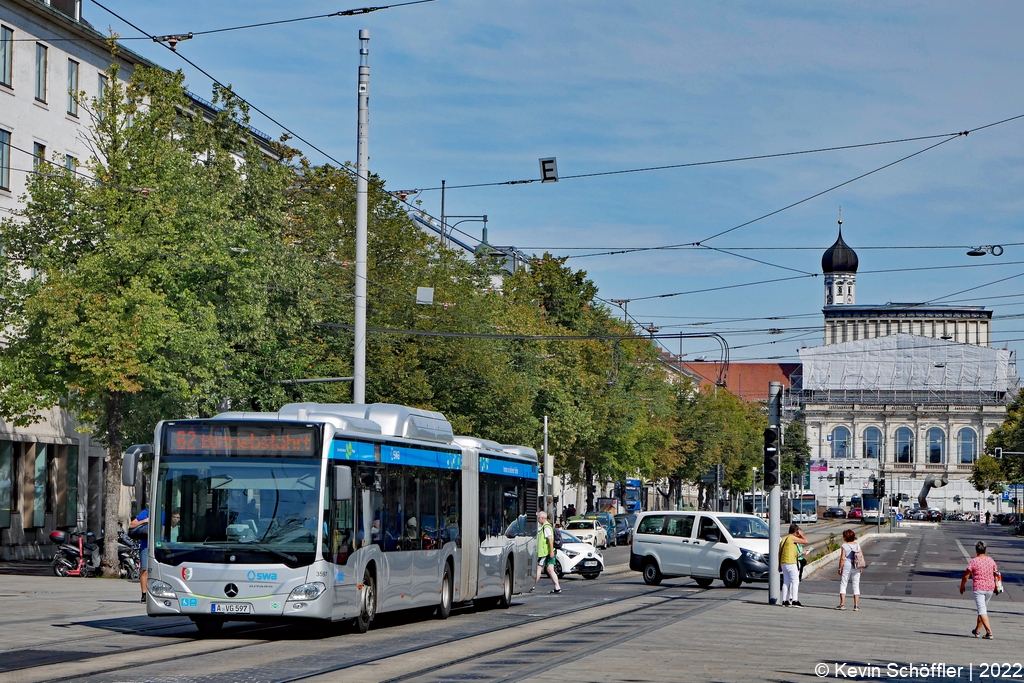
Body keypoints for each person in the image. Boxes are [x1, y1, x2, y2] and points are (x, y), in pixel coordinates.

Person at [960, 540, 1001, 639]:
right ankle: (977, 630)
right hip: (990, 588)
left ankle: (989, 632)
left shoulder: (974, 561)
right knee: (982, 609)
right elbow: (996, 574)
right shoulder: (991, 560)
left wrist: (962, 586)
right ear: (986, 550)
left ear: (976, 550)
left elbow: (966, 575)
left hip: (979, 588)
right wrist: (997, 587)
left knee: (982, 610)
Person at [530, 511, 561, 594]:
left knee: (539, 568)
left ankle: (532, 585)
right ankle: (557, 587)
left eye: (539, 518)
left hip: (545, 553)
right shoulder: (546, 526)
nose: (538, 520)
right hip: (548, 552)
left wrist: (551, 551)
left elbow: (550, 540)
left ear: (542, 518)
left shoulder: (546, 527)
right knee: (550, 569)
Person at [779, 523, 808, 607]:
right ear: (795, 532)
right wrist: (800, 535)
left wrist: (779, 565)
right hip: (791, 562)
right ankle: (795, 600)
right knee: (795, 581)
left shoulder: (784, 539)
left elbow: (779, 553)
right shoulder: (792, 538)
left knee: (786, 582)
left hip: (783, 563)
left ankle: (784, 601)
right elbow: (806, 541)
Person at [837, 529, 863, 611]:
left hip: (847, 565)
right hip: (856, 566)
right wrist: (860, 567)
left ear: (845, 537)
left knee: (843, 583)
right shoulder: (858, 545)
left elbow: (842, 558)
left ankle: (842, 604)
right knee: (856, 584)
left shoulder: (844, 546)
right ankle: (856, 606)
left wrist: (840, 568)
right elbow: (860, 557)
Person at [129, 508, 149, 604]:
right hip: (146, 546)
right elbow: (132, 525)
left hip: (162, 545)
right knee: (144, 570)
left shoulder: (165, 512)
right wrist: (145, 520)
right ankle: (144, 594)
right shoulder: (146, 512)